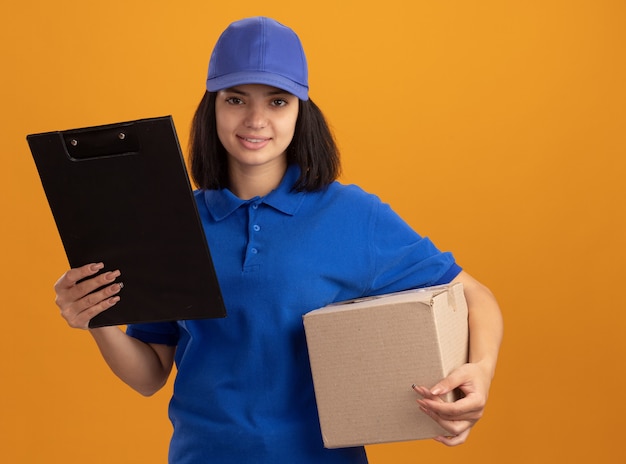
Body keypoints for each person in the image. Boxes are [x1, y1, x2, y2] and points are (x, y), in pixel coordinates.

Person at [54, 16, 503, 464]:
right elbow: (150, 375)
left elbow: (475, 296)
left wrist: (479, 372)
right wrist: (98, 320)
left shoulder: (351, 215)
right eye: (235, 99)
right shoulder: (173, 222)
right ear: (212, 107)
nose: (255, 120)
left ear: (301, 111)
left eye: (277, 101)